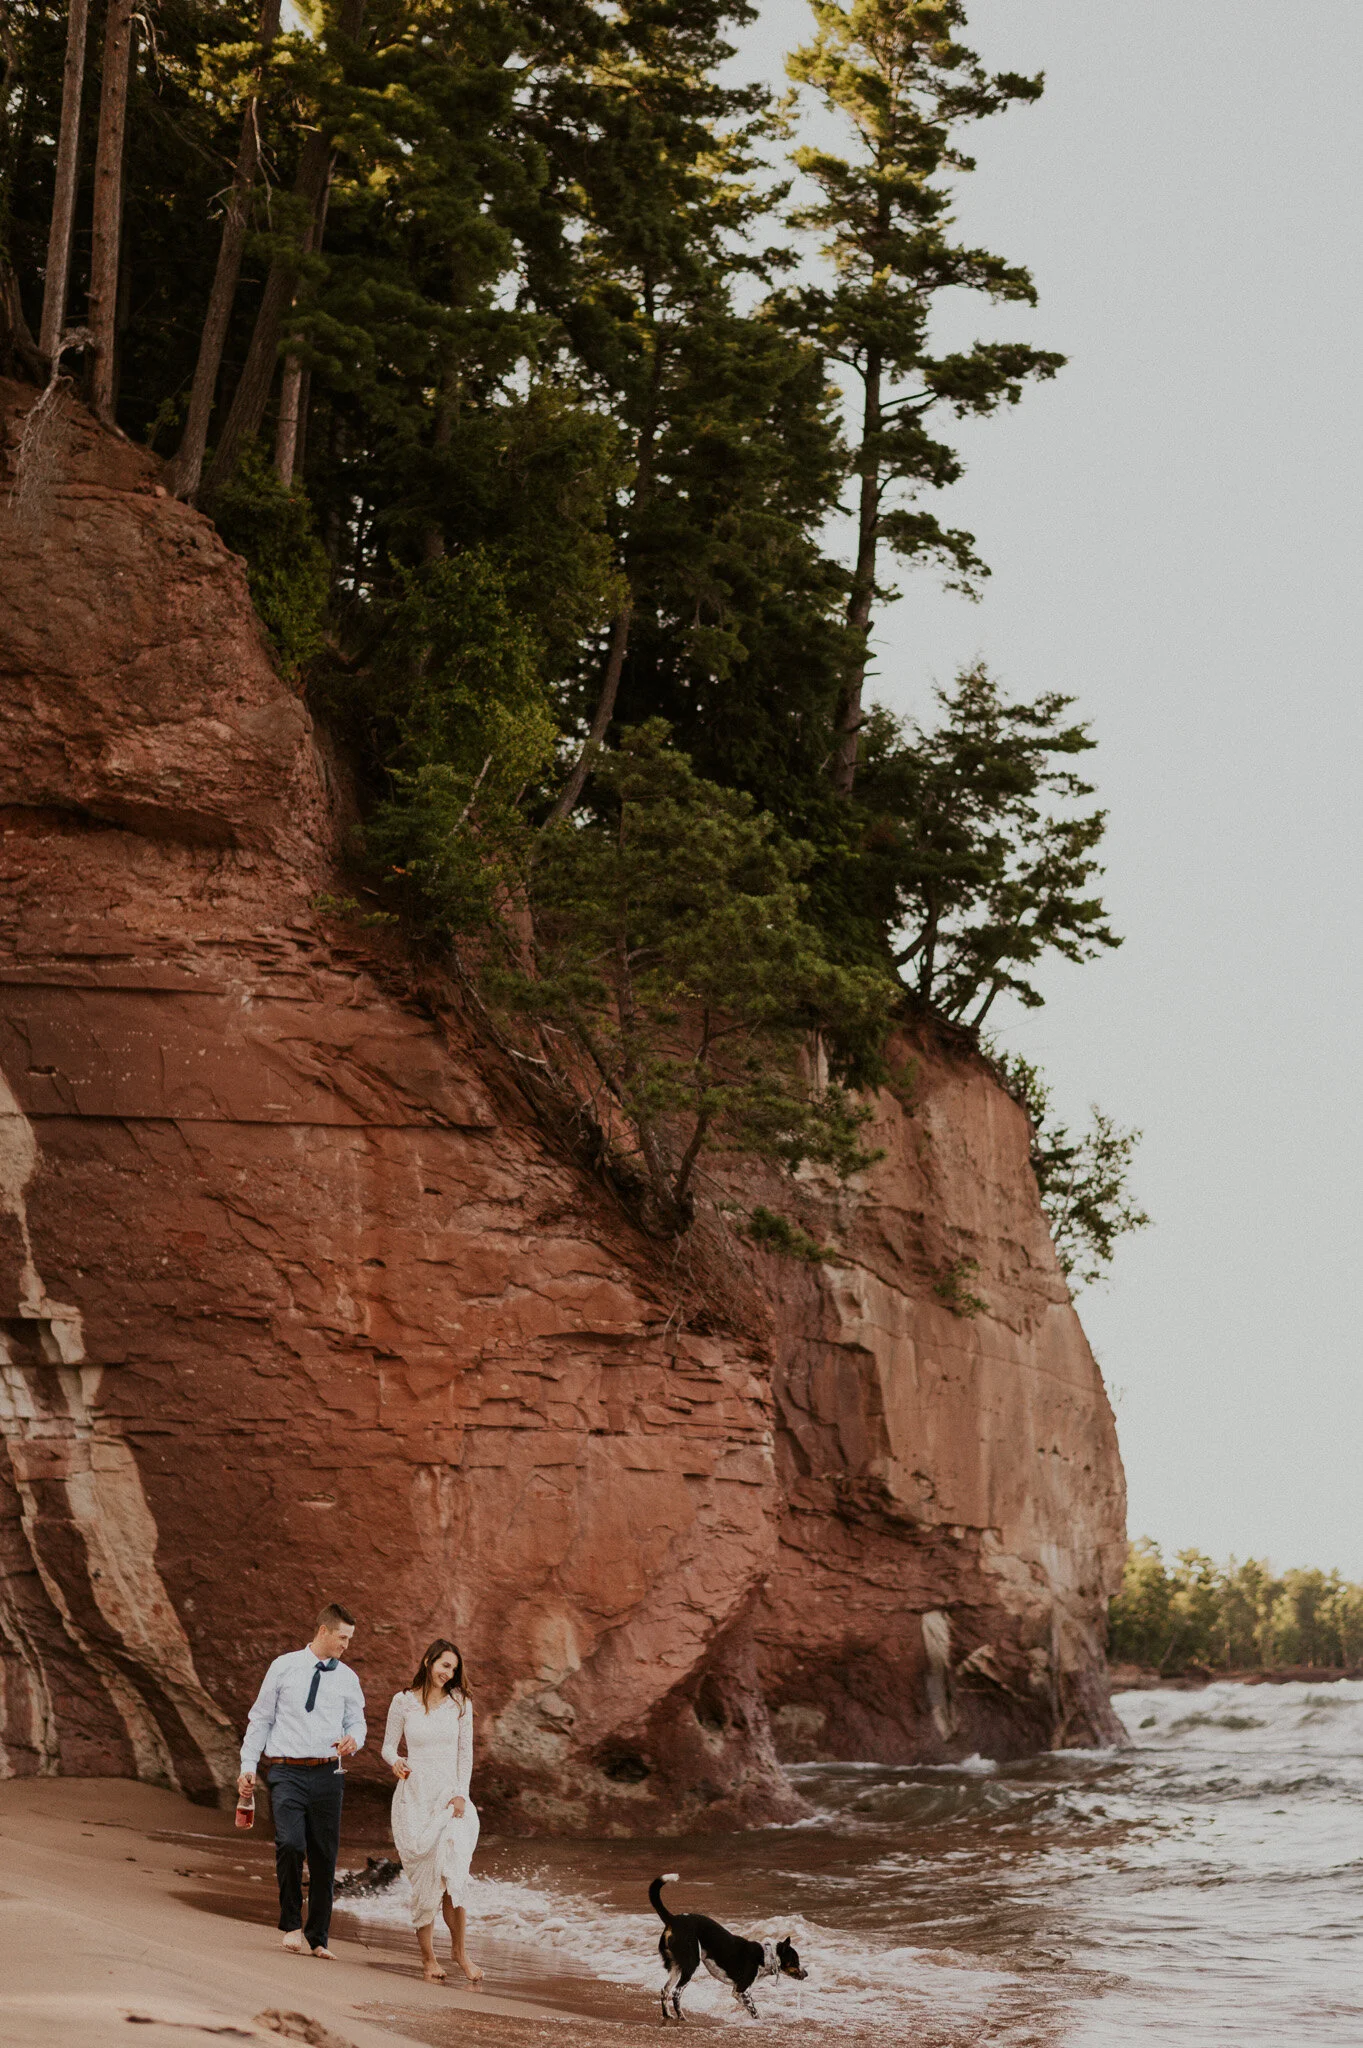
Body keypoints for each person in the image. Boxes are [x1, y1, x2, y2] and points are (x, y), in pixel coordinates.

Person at [237, 1602, 366, 1960]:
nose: (346, 1645)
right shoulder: (283, 1667)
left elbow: (357, 1722)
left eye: (350, 1639)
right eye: (342, 1637)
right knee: (291, 1844)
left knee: (325, 1856)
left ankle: (319, 1937)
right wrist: (248, 1764)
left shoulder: (348, 1678)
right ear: (323, 1631)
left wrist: (354, 1739)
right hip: (286, 1770)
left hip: (328, 1772)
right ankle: (292, 1923)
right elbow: (260, 1719)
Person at [382, 1639, 483, 1985]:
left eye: (453, 1668)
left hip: (449, 1799)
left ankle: (460, 1953)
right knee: (426, 1880)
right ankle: (428, 1958)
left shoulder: (460, 1703)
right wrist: (396, 1762)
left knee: (453, 1873)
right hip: (414, 1797)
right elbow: (387, 1747)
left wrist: (461, 1795)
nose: (448, 1673)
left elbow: (465, 1754)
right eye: (444, 1665)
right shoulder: (403, 1701)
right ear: (427, 1661)